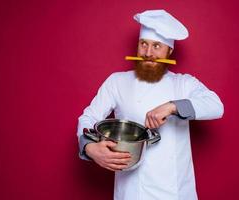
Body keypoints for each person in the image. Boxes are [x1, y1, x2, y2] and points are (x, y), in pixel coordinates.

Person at [77, 9, 224, 200]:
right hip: (132, 191)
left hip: (176, 192)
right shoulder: (117, 81)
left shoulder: (184, 84)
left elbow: (216, 106)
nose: (148, 53)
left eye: (156, 46)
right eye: (143, 44)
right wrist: (89, 148)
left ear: (169, 51)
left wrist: (172, 106)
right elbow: (89, 117)